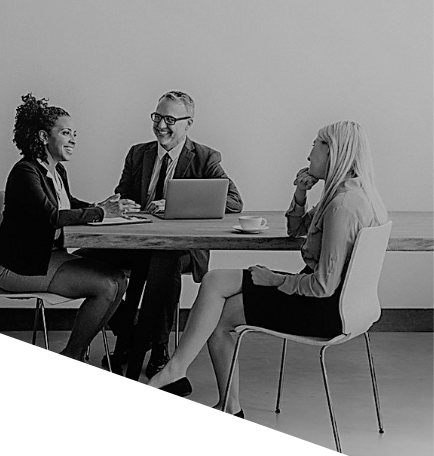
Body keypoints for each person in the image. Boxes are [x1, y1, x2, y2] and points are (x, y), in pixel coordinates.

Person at [146, 120, 389, 418]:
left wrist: (273, 279)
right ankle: (180, 372)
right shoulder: (346, 195)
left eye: (315, 144)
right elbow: (295, 230)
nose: (309, 153)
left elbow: (322, 286)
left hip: (323, 310)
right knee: (215, 280)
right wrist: (300, 193)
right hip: (340, 305)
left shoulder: (342, 207)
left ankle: (215, 397)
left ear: (333, 152)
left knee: (220, 316)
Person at [77, 90, 242, 381]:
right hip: (137, 241)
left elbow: (233, 202)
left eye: (169, 119)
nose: (161, 126)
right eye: (157, 117)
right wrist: (119, 204)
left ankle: (160, 349)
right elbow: (124, 194)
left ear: (188, 123)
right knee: (81, 259)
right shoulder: (138, 153)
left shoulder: (205, 158)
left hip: (182, 249)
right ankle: (132, 332)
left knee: (166, 265)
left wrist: (177, 205)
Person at [0, 93, 132, 363]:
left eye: (74, 133)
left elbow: (69, 204)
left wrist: (103, 207)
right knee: (107, 285)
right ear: (43, 136)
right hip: (16, 266)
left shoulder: (56, 171)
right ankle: (73, 354)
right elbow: (52, 216)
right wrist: (100, 212)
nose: (73, 139)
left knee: (120, 280)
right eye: (66, 133)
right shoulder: (25, 172)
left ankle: (80, 349)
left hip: (45, 256)